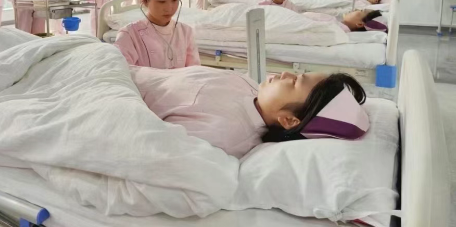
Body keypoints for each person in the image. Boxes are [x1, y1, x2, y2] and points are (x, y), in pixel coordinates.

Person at [131, 67, 369, 158]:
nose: (285, 74)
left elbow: (144, 143)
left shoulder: (224, 133)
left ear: (288, 120)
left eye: (294, 81)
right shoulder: (247, 86)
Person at [115, 0, 200, 69]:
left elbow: (195, 72)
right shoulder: (129, 35)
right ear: (145, 0)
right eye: (162, 1)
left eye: (174, 0)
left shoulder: (186, 32)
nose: (169, 8)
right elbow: (122, 73)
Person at [304, 9, 386, 32]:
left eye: (360, 11)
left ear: (360, 24)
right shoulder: (336, 23)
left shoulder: (336, 27)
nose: (355, 9)